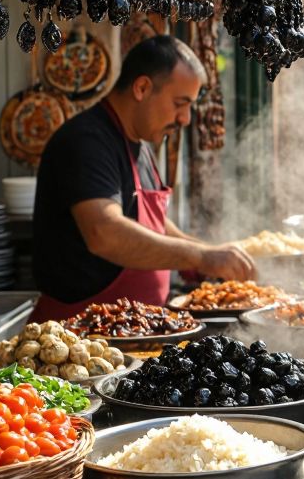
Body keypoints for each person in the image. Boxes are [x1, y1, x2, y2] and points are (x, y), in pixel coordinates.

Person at [32, 36, 256, 321]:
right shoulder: (85, 141)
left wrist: (210, 253)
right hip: (77, 338)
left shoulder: (139, 142)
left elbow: (152, 221)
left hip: (135, 329)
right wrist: (199, 256)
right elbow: (105, 233)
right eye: (180, 103)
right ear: (141, 88)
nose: (186, 119)